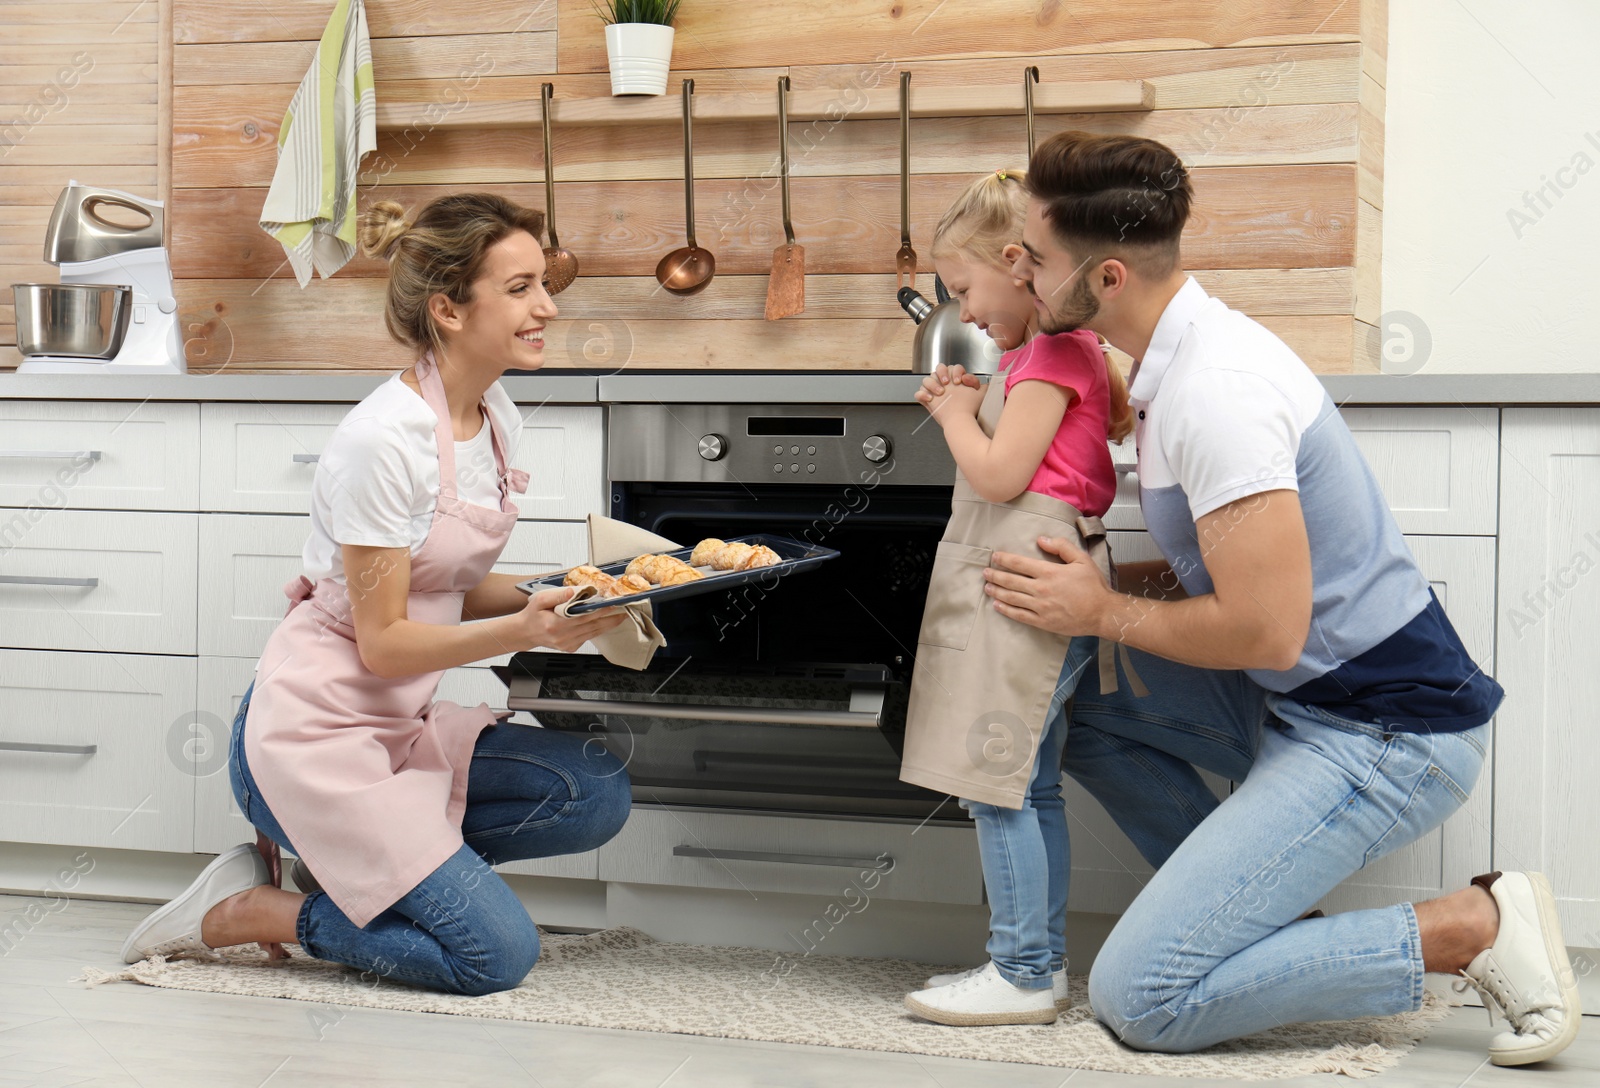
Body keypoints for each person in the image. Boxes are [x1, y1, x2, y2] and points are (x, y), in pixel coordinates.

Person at [975, 131, 1578, 1064]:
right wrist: (1096, 587)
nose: (1021, 274)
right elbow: (1235, 571)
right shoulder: (1171, 364)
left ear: (1104, 279)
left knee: (1144, 997)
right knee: (1076, 707)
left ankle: (1471, 926)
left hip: (1388, 734)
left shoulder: (1220, 390)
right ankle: (1258, 914)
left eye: (1038, 259)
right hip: (1306, 700)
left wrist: (1098, 609)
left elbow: (1266, 622)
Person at [121, 193, 631, 996]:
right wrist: (525, 630)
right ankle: (254, 910)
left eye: (544, 285)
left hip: (399, 729)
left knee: (593, 790)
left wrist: (574, 592)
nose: (548, 307)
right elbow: (386, 640)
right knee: (495, 957)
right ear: (448, 310)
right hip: (311, 744)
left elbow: (450, 585)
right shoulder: (383, 440)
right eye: (523, 287)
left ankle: (376, 879)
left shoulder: (494, 415)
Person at [898, 169, 1136, 1026]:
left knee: (994, 784)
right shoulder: (1054, 356)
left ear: (1013, 261)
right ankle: (1037, 967)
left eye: (963, 290)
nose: (962, 313)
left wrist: (955, 413)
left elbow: (1000, 476)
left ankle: (1024, 970)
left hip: (1028, 576)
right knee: (1023, 784)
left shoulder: (1047, 356)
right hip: (1038, 574)